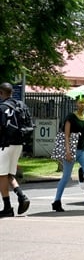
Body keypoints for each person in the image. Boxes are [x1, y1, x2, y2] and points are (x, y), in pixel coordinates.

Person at [53, 94, 84, 212]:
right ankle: (56, 201)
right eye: (81, 102)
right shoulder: (71, 117)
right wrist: (68, 151)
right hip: (72, 150)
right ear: (76, 103)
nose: (83, 105)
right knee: (66, 177)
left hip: (82, 150)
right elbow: (66, 135)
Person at [0, 83, 33, 217]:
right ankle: (21, 196)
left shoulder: (2, 107)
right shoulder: (21, 105)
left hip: (4, 145)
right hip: (18, 144)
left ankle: (7, 207)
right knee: (9, 174)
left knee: (1, 175)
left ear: (1, 92)